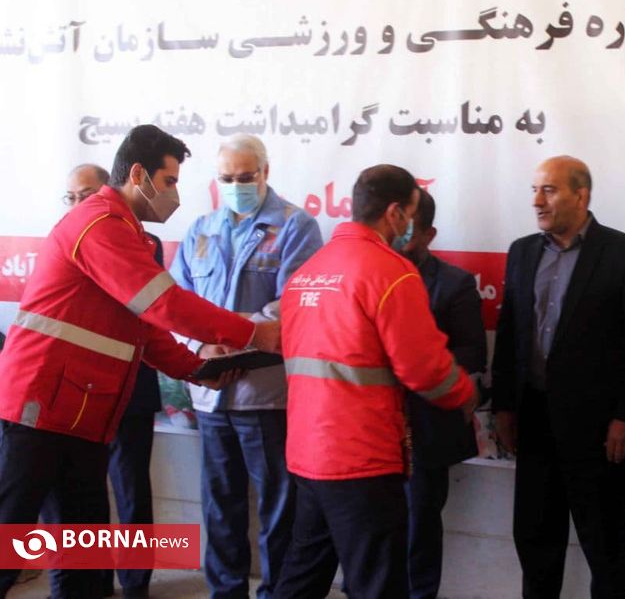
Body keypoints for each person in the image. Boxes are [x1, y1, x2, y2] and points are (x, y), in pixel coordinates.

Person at [0, 124, 281, 598]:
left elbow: (144, 328)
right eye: (169, 181)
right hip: (41, 411)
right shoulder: (99, 225)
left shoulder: (124, 231)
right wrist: (251, 332)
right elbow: (166, 305)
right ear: (137, 175)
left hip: (81, 416)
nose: (175, 195)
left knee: (82, 560)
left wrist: (195, 369)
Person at [274, 164, 477, 599]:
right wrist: (464, 393)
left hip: (308, 452)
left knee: (302, 578)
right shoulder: (392, 272)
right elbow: (423, 369)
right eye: (411, 214)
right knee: (378, 584)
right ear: (395, 213)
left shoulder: (309, 271)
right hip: (362, 457)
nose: (410, 226)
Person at [491, 156, 625, 599]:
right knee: (535, 541)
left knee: (603, 546)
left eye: (548, 190)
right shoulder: (522, 252)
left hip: (599, 431)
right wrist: (504, 407)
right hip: (534, 422)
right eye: (534, 190)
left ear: (581, 195)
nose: (536, 201)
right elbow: (510, 335)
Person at [170, 135, 322, 599]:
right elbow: (175, 302)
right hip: (211, 393)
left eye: (245, 177)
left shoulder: (296, 226)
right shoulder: (200, 230)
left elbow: (292, 305)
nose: (236, 186)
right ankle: (225, 592)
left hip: (266, 395)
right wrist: (202, 345)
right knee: (220, 505)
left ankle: (278, 592)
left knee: (278, 506)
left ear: (265, 172)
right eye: (227, 178)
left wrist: (230, 338)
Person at [45, 164, 165, 598]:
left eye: (87, 195)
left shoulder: (141, 242)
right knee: (83, 496)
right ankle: (93, 581)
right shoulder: (64, 239)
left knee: (131, 490)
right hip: (78, 395)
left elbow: (149, 313)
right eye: (72, 197)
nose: (79, 204)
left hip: (130, 389)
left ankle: (135, 583)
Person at [397, 188, 488, 599]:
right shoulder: (366, 273)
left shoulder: (453, 283)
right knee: (372, 525)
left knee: (419, 523)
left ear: (429, 234)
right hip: (369, 425)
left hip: (425, 426)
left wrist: (418, 363)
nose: (397, 234)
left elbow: (473, 352)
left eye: (408, 227)